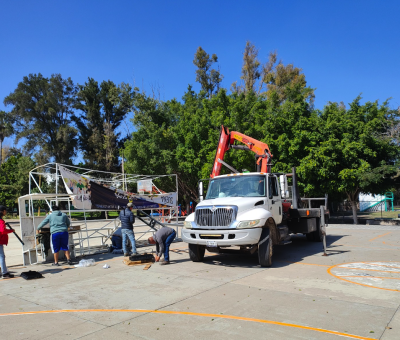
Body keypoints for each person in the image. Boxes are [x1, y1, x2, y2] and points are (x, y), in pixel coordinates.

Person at [0, 205, 15, 278]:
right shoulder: (1, 221)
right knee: (2, 256)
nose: (6, 211)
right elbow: (3, 230)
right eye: (5, 210)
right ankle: (4, 273)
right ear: (2, 212)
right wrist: (11, 230)